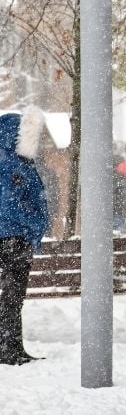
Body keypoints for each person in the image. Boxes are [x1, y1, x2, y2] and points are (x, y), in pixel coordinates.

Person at [0, 111, 50, 365]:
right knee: (12, 297)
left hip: (14, 237)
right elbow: (8, 206)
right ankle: (8, 349)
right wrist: (36, 222)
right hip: (12, 238)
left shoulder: (15, 162)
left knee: (13, 296)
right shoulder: (11, 164)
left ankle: (11, 347)